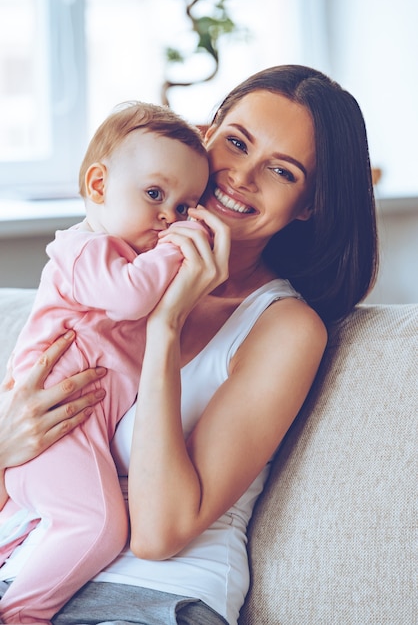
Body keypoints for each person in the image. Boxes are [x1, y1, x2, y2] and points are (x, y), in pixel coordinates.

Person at [0, 65, 378, 625]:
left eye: (281, 170)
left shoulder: (285, 327)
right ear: (206, 133)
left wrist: (167, 324)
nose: (242, 176)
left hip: (148, 595)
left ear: (309, 205)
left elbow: (158, 534)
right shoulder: (109, 268)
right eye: (236, 142)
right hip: (27, 570)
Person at [0, 101, 210, 624]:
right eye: (155, 195)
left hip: (72, 432)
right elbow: (131, 298)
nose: (169, 218)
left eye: (186, 207)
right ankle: (21, 614)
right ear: (98, 185)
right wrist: (181, 248)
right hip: (52, 430)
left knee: (86, 518)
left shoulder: (123, 258)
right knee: (97, 525)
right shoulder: (83, 250)